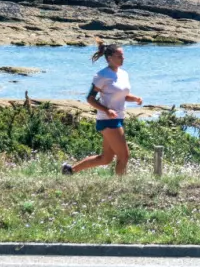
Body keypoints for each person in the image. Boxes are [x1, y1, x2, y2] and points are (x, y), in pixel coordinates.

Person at [61, 40, 142, 176]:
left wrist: (135, 99)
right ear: (109, 58)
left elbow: (122, 95)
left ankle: (69, 170)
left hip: (119, 117)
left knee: (106, 159)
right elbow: (90, 98)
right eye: (119, 56)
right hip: (108, 120)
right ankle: (121, 186)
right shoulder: (102, 75)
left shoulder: (124, 74)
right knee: (124, 156)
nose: (123, 59)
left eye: (123, 56)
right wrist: (106, 110)